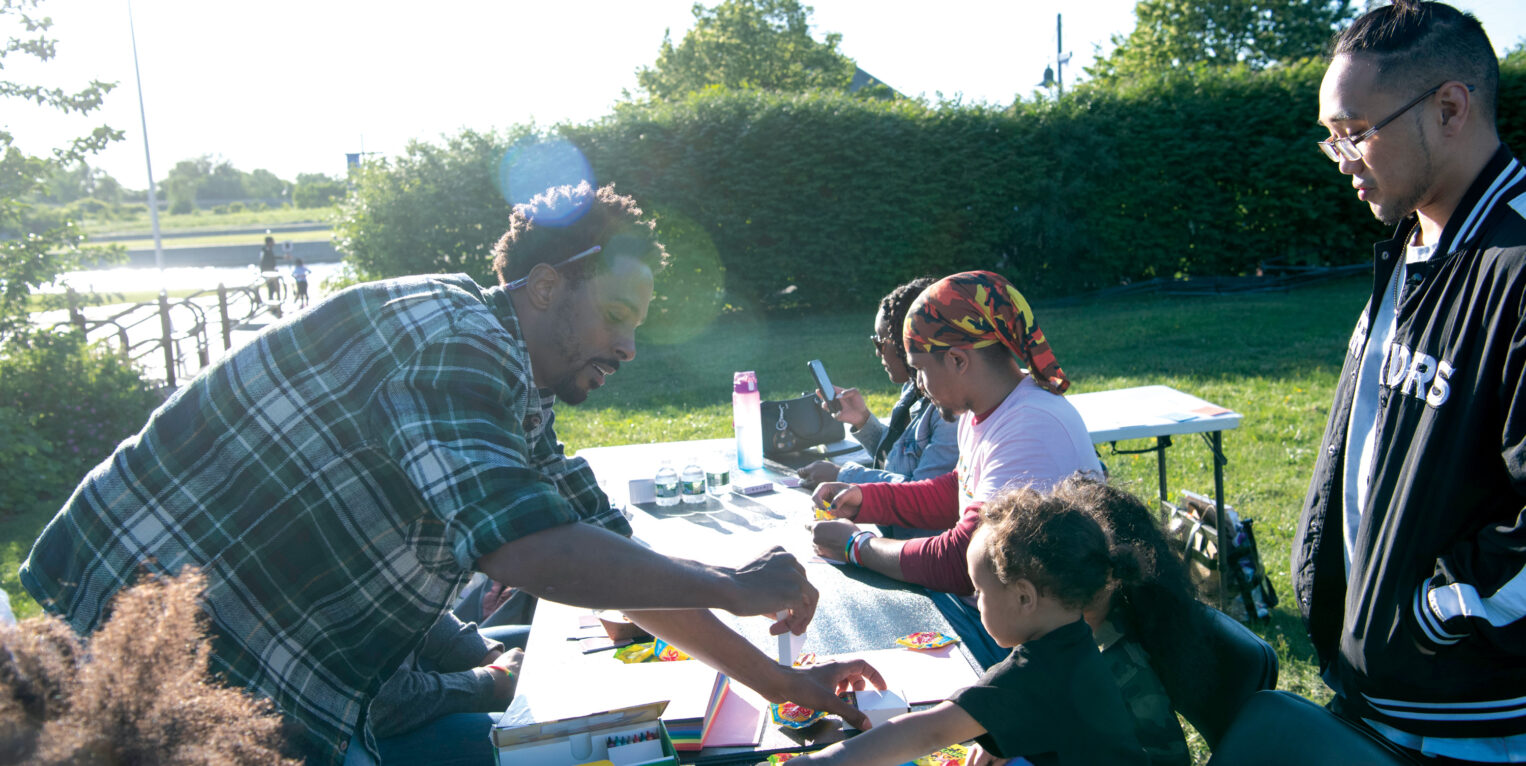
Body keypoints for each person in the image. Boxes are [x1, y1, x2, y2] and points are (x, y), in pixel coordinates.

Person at [20, 182, 882, 765]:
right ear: (546, 287)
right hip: (142, 640)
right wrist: (734, 584)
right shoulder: (455, 338)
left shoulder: (511, 380)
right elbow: (522, 546)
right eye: (617, 316)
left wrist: (781, 682)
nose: (626, 346)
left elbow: (607, 562)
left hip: (252, 645)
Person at [1295, 2, 1526, 761]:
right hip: (1380, 696)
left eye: (1356, 132)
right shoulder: (1411, 245)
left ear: (1451, 108)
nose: (1342, 159)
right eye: (1331, 138)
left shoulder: (1517, 264)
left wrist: (1431, 614)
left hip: (1475, 720)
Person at [809, 270, 1102, 666]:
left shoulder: (1031, 425)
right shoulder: (984, 410)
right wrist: (866, 499)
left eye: (921, 369)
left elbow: (963, 560)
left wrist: (856, 546)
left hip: (1033, 650)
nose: (921, 384)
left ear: (958, 359)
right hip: (996, 617)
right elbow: (957, 491)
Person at [790, 483, 1149, 765]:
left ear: (1024, 598)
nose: (976, 602)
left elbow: (928, 733)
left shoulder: (1036, 673)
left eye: (979, 591)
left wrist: (821, 762)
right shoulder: (1071, 646)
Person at [796, 277, 958, 489]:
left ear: (906, 340)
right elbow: (897, 463)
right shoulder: (912, 390)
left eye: (880, 342)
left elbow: (921, 495)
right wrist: (863, 420)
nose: (876, 352)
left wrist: (842, 476)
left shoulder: (949, 413)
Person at [259, 234, 281, 301]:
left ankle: (274, 302)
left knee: (272, 288)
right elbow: (264, 261)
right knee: (271, 287)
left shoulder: (267, 250)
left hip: (271, 271)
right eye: (272, 242)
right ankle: (272, 302)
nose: (274, 243)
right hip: (268, 272)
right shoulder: (265, 250)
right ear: (269, 242)